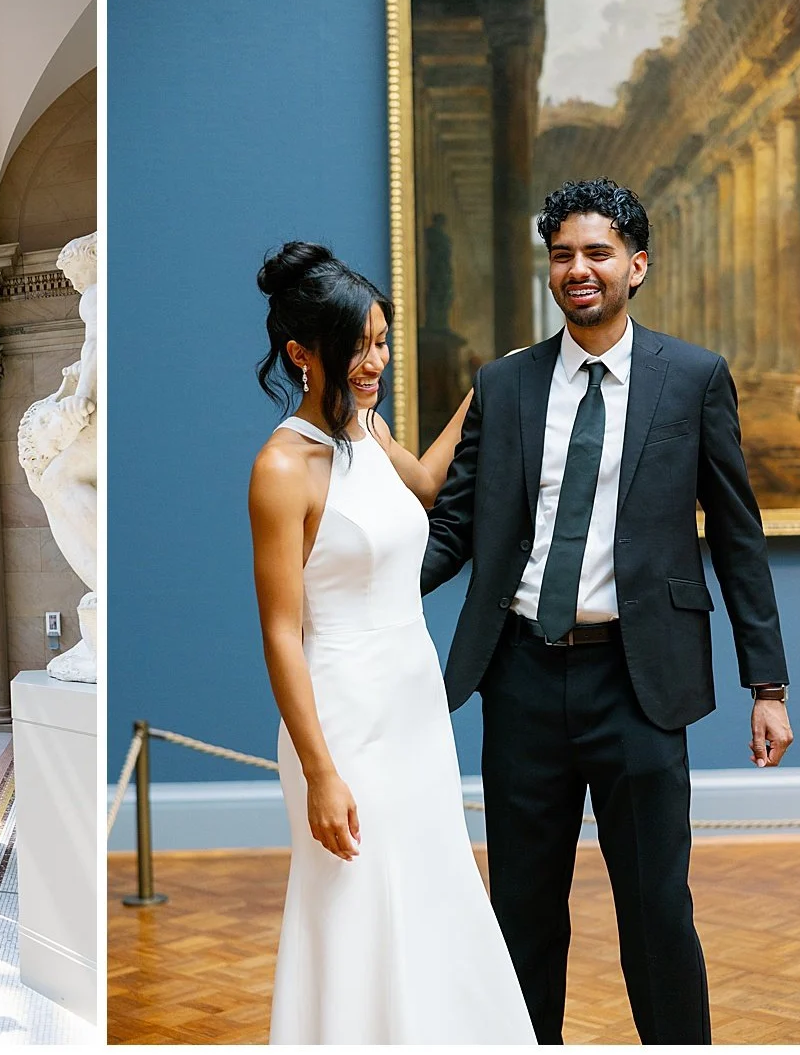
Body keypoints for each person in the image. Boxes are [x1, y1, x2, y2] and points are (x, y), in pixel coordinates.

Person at [421, 178, 794, 1044]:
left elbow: (738, 536)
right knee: (521, 911)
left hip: (639, 681)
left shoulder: (694, 378)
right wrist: (375, 581)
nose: (577, 269)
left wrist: (766, 683)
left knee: (658, 912)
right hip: (519, 675)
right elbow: (455, 528)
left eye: (596, 252)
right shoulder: (504, 383)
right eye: (561, 254)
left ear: (637, 263)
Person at [247, 242, 534, 1044]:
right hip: (342, 719)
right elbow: (280, 633)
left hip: (413, 707)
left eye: (381, 341)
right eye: (358, 347)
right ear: (303, 354)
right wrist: (320, 772)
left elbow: (431, 486)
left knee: (430, 888)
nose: (375, 362)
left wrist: (482, 393)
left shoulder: (367, 428)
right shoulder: (280, 467)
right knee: (355, 905)